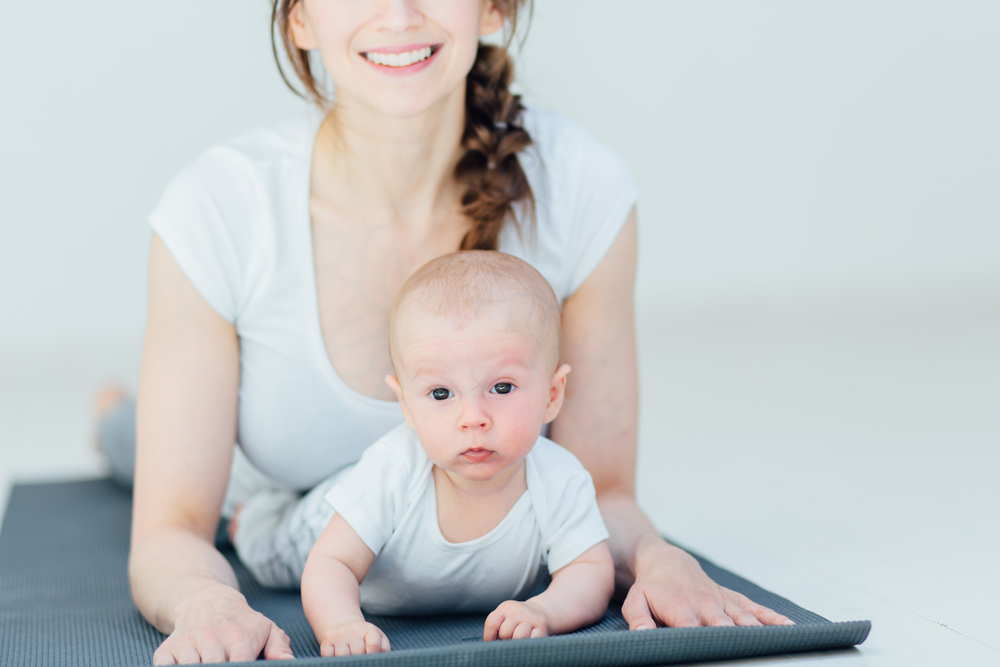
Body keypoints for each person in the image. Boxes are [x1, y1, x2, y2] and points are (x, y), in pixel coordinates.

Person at [116, 0, 793, 663]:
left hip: (467, 492)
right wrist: (208, 601)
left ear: (494, 9)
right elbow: (170, 528)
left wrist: (658, 557)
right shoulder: (217, 210)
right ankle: (112, 415)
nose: (400, 13)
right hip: (260, 494)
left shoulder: (585, 189)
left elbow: (602, 490)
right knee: (127, 438)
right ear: (300, 19)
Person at [231, 251, 615, 656]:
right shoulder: (393, 469)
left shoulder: (561, 478)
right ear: (406, 407)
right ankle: (256, 512)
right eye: (441, 393)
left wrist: (546, 610)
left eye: (502, 387)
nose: (473, 418)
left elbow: (589, 570)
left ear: (552, 396)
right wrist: (342, 623)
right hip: (319, 526)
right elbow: (331, 564)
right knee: (271, 547)